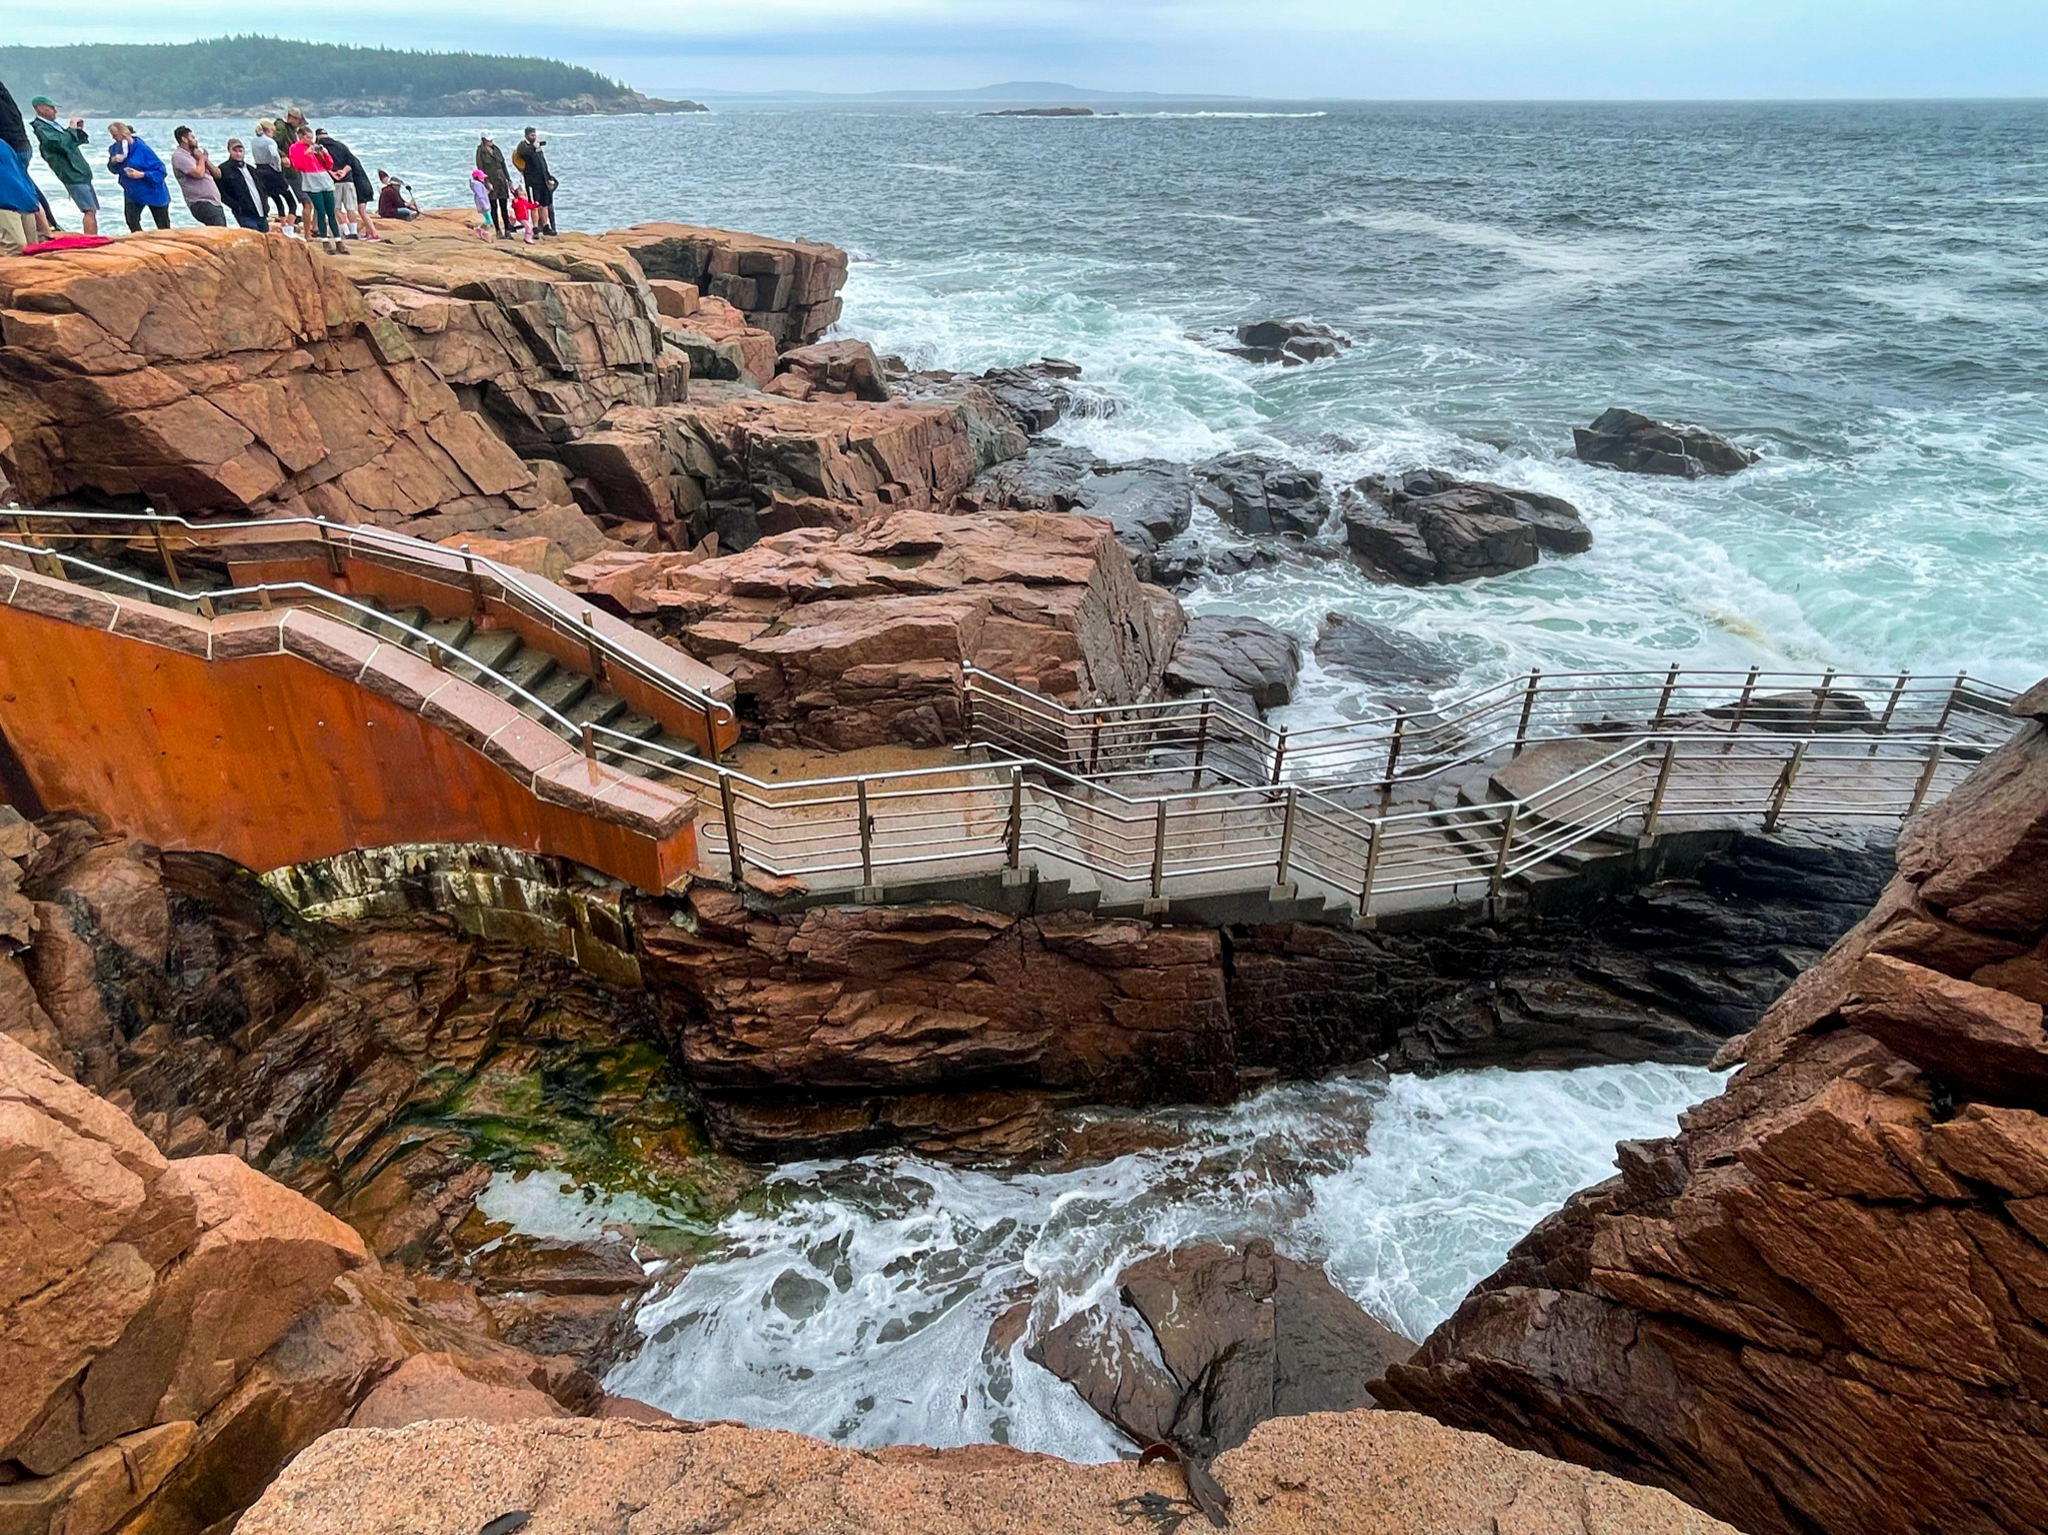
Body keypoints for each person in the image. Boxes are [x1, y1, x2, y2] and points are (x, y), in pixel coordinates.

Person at [31, 98, 97, 237]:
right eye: (52, 108)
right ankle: (91, 239)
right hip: (72, 173)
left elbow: (70, 142)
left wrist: (77, 131)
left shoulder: (53, 126)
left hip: (79, 171)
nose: (55, 111)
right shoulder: (42, 128)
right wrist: (71, 130)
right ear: (40, 109)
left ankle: (92, 237)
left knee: (91, 209)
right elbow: (58, 143)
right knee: (89, 210)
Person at [0, 79, 51, 243]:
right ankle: (44, 231)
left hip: (9, 149)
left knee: (16, 193)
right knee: (25, 189)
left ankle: (42, 231)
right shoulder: (4, 95)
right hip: (20, 145)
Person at [313, 128, 378, 241]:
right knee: (350, 208)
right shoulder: (341, 146)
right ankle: (353, 231)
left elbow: (320, 164)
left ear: (317, 137)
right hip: (349, 180)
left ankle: (346, 232)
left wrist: (333, 173)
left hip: (334, 181)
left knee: (336, 208)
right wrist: (343, 171)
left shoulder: (319, 147)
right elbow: (350, 162)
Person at [287, 126, 344, 254]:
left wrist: (325, 153)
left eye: (311, 137)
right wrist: (307, 153)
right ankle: (325, 241)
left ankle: (338, 240)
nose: (311, 140)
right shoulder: (294, 148)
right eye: (308, 137)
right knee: (320, 210)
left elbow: (328, 165)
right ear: (301, 137)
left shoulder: (315, 146)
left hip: (324, 178)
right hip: (311, 180)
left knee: (331, 211)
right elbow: (297, 165)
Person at [106, 123, 171, 233]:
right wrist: (113, 161)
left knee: (163, 225)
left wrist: (141, 174)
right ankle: (141, 243)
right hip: (133, 192)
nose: (113, 138)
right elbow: (113, 170)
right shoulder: (115, 149)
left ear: (124, 135)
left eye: (115, 135)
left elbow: (161, 171)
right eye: (111, 135)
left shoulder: (143, 149)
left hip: (153, 191)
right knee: (132, 221)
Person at [170, 127, 227, 227]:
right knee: (220, 233)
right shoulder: (179, 156)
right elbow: (199, 173)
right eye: (192, 137)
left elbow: (217, 174)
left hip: (214, 202)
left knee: (221, 231)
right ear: (184, 139)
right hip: (201, 202)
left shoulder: (195, 156)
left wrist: (205, 160)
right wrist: (201, 158)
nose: (195, 140)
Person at [250, 121, 297, 236]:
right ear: (269, 130)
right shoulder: (270, 141)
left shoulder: (254, 141)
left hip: (260, 170)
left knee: (277, 199)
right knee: (291, 202)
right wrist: (278, 168)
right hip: (272, 171)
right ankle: (289, 230)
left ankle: (283, 226)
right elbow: (274, 155)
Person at [511, 126, 556, 235]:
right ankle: (535, 227)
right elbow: (523, 154)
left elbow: (543, 163)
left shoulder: (537, 147)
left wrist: (548, 177)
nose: (534, 137)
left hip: (543, 179)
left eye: (534, 135)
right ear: (526, 135)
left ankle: (546, 226)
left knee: (544, 204)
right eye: (531, 135)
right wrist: (533, 147)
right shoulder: (523, 145)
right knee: (534, 204)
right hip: (532, 181)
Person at [216, 139, 268, 232]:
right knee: (253, 236)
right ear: (229, 151)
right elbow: (221, 192)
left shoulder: (251, 169)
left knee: (265, 237)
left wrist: (266, 204)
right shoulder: (224, 170)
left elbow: (262, 188)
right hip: (244, 214)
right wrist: (236, 206)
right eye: (235, 151)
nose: (238, 154)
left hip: (261, 212)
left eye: (240, 151)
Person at [474, 132, 511, 239]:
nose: (491, 142)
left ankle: (508, 230)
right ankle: (498, 230)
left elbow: (503, 164)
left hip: (501, 180)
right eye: (488, 140)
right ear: (483, 140)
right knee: (494, 206)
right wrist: (486, 182)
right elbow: (480, 168)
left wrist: (508, 179)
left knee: (504, 205)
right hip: (491, 181)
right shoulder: (480, 152)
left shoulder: (496, 149)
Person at [467, 167, 494, 242]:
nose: (483, 179)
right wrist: (484, 205)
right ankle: (480, 230)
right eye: (482, 177)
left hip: (484, 204)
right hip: (483, 205)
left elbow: (483, 194)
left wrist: (488, 190)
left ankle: (482, 231)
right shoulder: (477, 185)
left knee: (488, 220)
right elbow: (480, 196)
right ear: (477, 178)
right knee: (489, 221)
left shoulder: (479, 184)